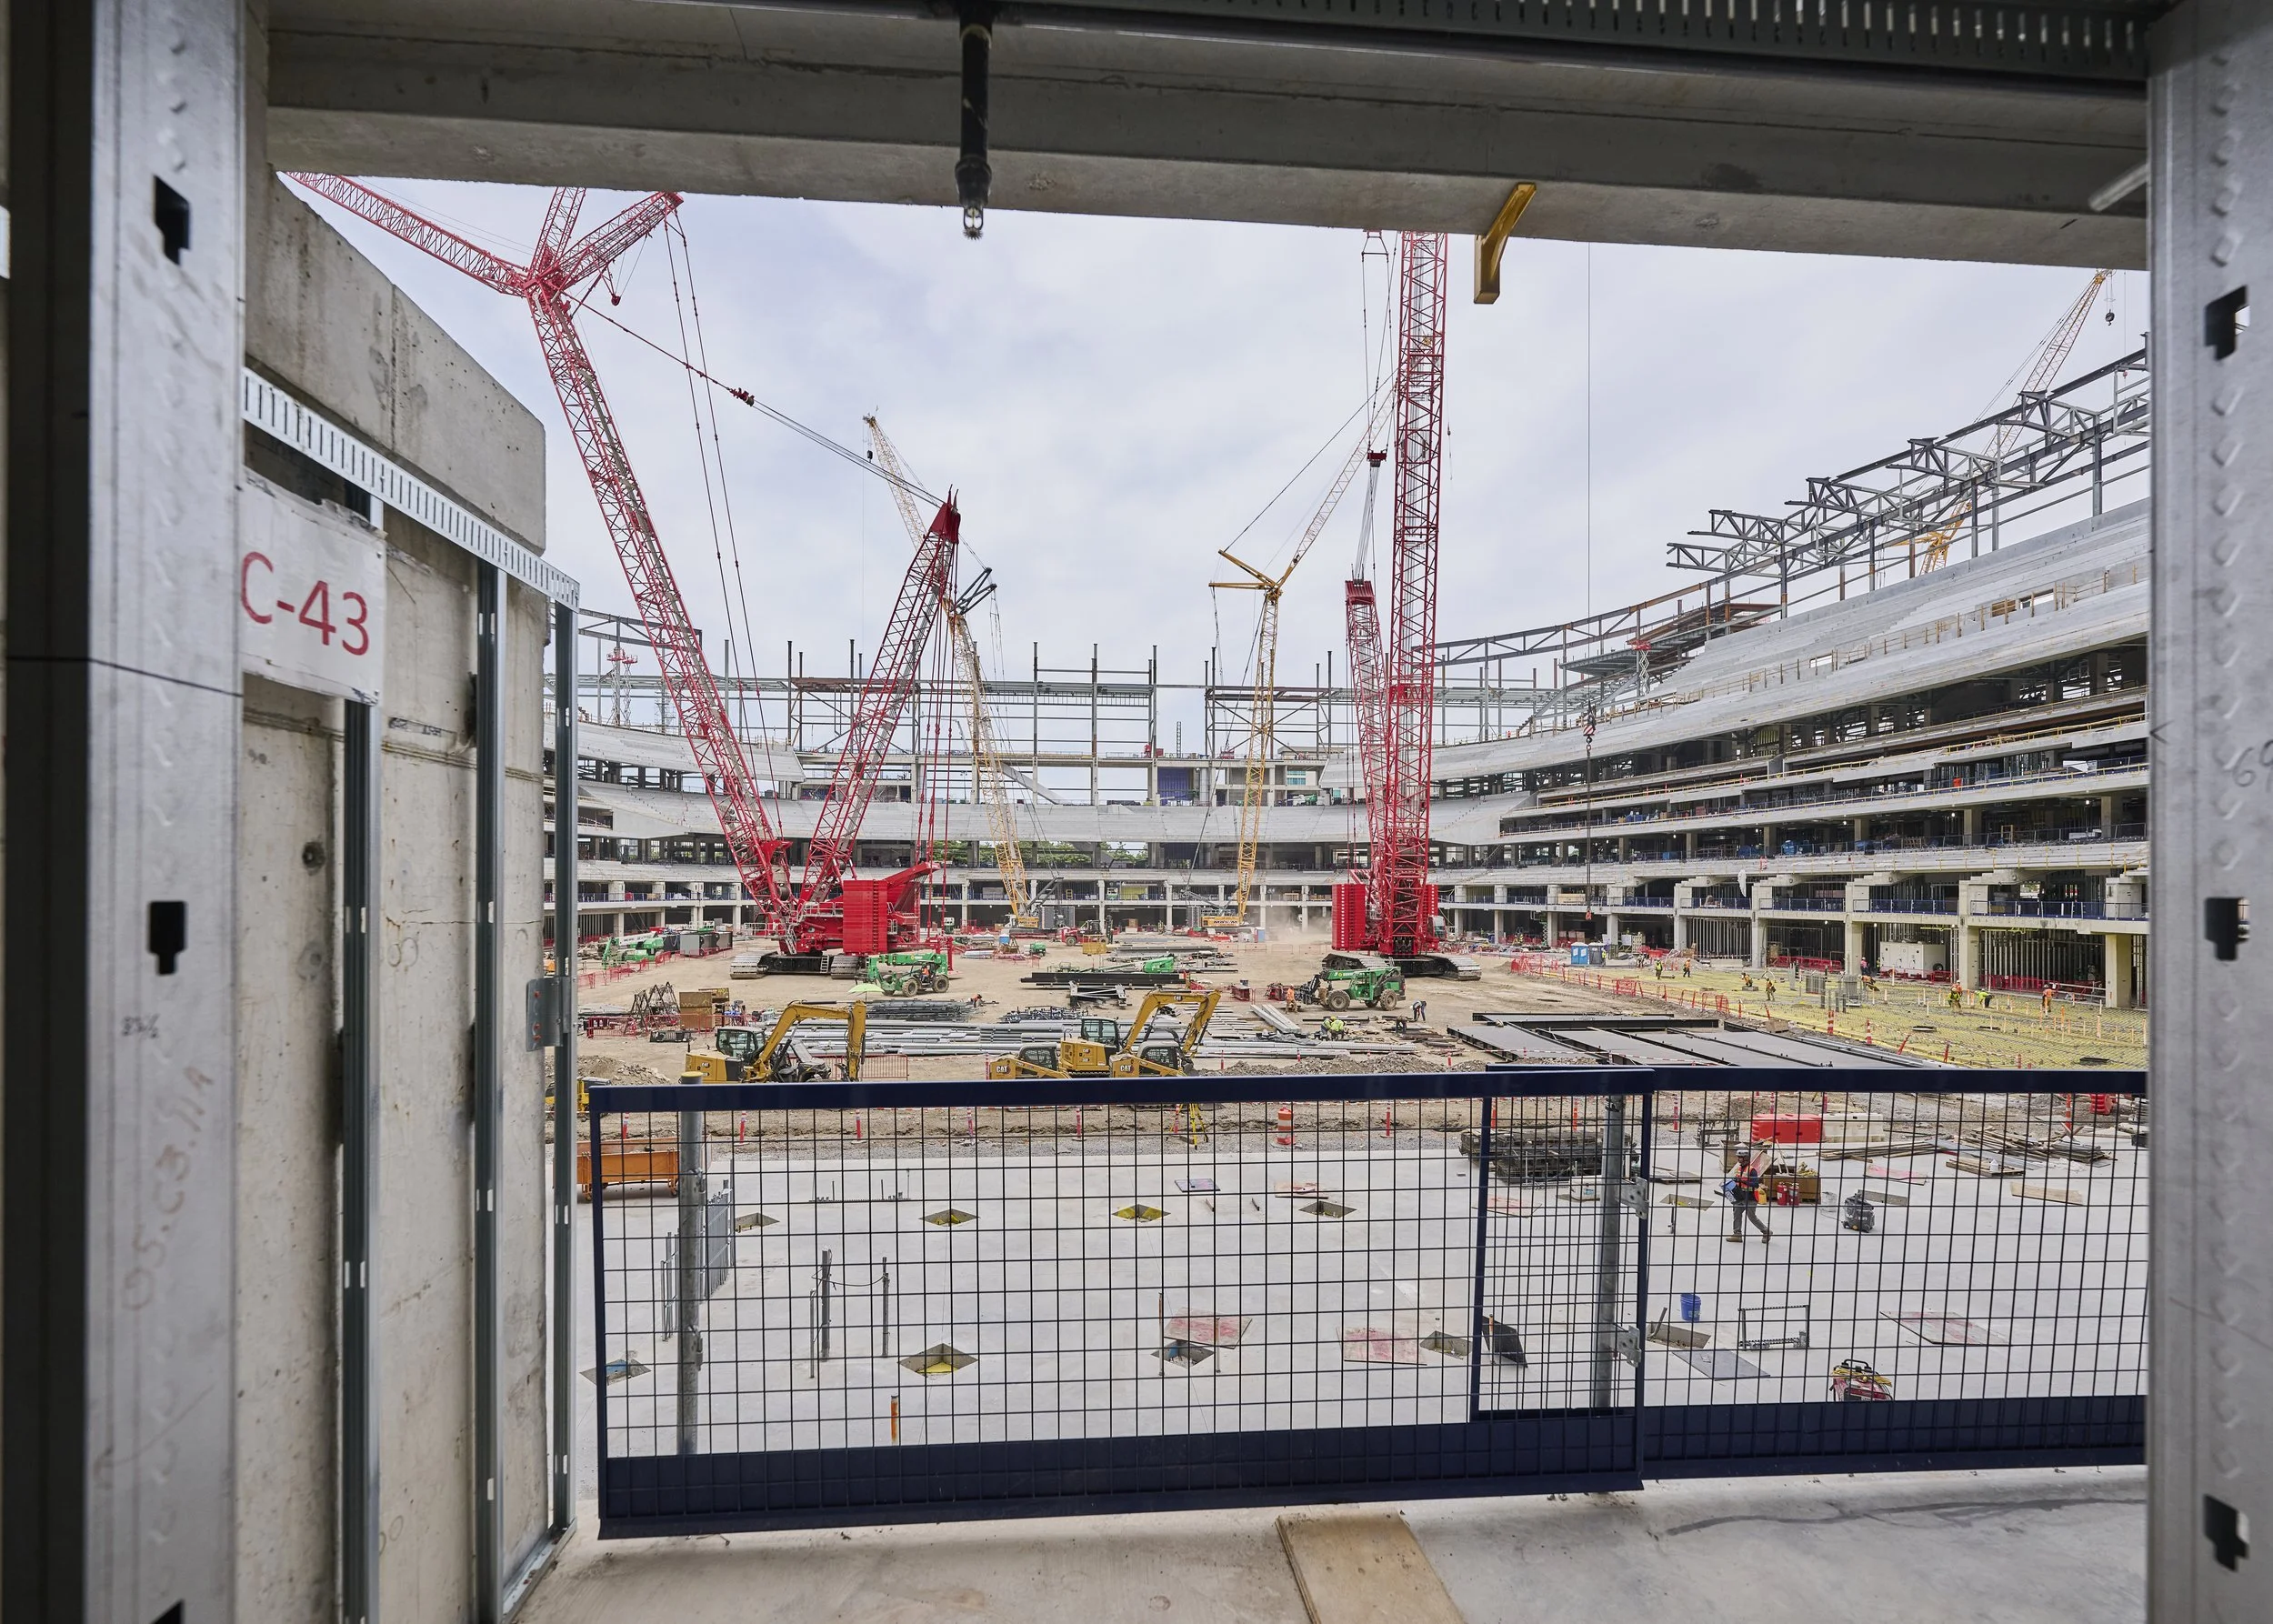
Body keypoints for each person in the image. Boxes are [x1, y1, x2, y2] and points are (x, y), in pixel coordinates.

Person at [1723, 1148, 1771, 1244]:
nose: (1738, 1159)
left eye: (1740, 1157)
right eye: (1738, 1157)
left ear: (1746, 1158)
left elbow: (1756, 1184)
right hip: (1740, 1196)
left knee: (1751, 1216)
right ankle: (1737, 1235)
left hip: (1751, 1198)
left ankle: (1766, 1232)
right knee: (1736, 1214)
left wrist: (1742, 1181)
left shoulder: (1752, 1170)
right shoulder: (1739, 1169)